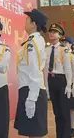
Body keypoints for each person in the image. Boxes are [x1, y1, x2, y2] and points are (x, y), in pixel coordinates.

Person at [14, 9, 49, 138]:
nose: (25, 23)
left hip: (32, 90)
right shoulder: (32, 41)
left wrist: (32, 98)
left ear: (33, 24)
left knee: (35, 134)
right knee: (31, 133)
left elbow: (35, 70)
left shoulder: (33, 43)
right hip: (29, 89)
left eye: (27, 20)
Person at [44, 23, 73, 138]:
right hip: (51, 81)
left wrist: (69, 85)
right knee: (56, 112)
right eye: (50, 32)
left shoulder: (64, 50)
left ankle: (65, 135)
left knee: (64, 111)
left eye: (54, 32)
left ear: (60, 35)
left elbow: (67, 68)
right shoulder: (46, 50)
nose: (51, 34)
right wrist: (46, 85)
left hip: (61, 80)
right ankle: (59, 135)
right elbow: (45, 69)